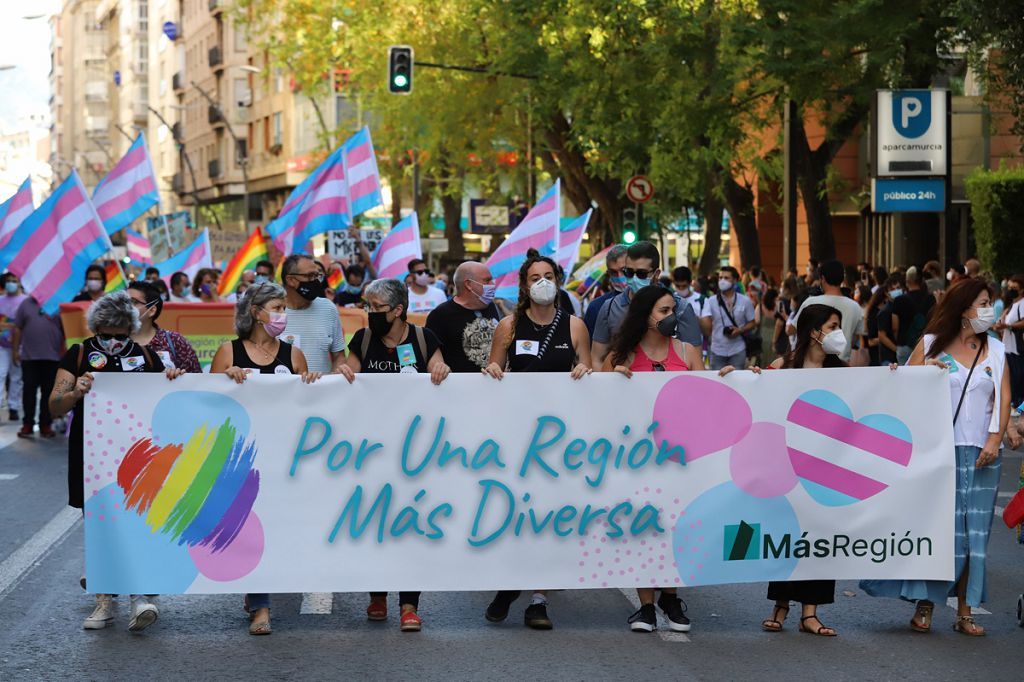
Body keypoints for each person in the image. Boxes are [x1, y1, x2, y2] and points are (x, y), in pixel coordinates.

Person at [861, 278, 1010, 637]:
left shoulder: (996, 350)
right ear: (962, 310)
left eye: (990, 302)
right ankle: (925, 604)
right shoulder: (931, 345)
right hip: (937, 453)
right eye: (983, 303)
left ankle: (965, 610)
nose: (989, 310)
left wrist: (994, 439)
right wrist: (924, 372)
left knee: (974, 536)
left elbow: (1002, 399)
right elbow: (903, 390)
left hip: (982, 456)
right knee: (940, 532)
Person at [48, 291, 185, 632]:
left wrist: (172, 378)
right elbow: (54, 405)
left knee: (140, 520)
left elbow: (168, 401)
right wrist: (74, 392)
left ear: (131, 330)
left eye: (120, 334)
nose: (112, 341)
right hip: (92, 452)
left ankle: (141, 596)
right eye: (105, 334)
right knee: (100, 524)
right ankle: (103, 601)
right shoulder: (79, 354)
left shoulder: (146, 356)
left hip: (136, 453)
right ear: (95, 328)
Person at [482, 249, 593, 630]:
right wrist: (493, 370)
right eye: (535, 277)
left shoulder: (575, 326)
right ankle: (508, 583)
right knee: (515, 514)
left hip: (560, 441)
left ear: (558, 281)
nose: (543, 282)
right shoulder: (508, 327)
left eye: (549, 275)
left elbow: (590, 373)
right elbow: (494, 370)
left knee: (550, 518)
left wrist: (583, 370)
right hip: (518, 436)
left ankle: (538, 600)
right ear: (525, 286)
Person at [211, 282, 325, 635]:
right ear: (256, 312)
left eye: (283, 308)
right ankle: (261, 606)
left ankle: (258, 591)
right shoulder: (228, 351)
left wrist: (311, 383)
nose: (282, 314)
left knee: (279, 528)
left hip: (285, 457)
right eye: (276, 307)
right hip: (242, 459)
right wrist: (225, 381)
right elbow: (208, 405)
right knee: (251, 528)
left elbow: (309, 407)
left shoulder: (293, 355)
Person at [345, 278, 450, 632]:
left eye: (377, 308)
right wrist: (342, 372)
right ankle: (377, 595)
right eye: (368, 307)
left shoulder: (424, 339)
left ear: (398, 310)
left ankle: (409, 604)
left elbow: (440, 370)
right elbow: (348, 373)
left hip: (414, 452)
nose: (370, 313)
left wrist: (440, 369)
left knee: (409, 528)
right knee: (375, 524)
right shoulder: (362, 339)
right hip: (370, 450)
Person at [602, 285, 701, 633]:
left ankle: (670, 597)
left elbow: (706, 398)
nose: (671, 316)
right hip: (638, 460)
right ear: (645, 316)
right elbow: (596, 401)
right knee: (644, 528)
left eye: (673, 309)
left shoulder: (688, 352)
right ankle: (646, 604)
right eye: (663, 310)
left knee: (677, 526)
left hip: (679, 458)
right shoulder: (623, 357)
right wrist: (610, 379)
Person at [761, 304, 853, 637]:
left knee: (820, 536)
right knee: (789, 535)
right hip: (787, 466)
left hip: (826, 468)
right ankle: (781, 605)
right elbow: (760, 402)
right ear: (814, 332)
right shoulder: (783, 367)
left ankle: (810, 613)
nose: (838, 333)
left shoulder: (843, 372)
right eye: (832, 326)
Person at [593, 241, 701, 368]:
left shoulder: (680, 308)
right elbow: (597, 359)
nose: (634, 278)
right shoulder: (610, 308)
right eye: (628, 272)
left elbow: (695, 363)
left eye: (641, 274)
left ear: (656, 274)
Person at [279, 254, 351, 376]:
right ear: (290, 280)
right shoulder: (273, 312)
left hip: (322, 392)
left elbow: (339, 356)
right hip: (284, 392)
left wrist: (335, 376)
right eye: (310, 276)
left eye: (317, 275)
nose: (315, 281)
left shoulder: (328, 308)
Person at [425, 261, 502, 373]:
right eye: (487, 280)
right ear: (468, 285)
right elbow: (430, 356)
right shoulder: (440, 315)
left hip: (493, 384)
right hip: (458, 387)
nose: (492, 284)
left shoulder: (491, 307)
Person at [787, 260, 863, 362]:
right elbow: (855, 338)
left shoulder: (810, 302)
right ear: (842, 278)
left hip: (813, 364)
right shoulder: (855, 307)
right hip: (842, 365)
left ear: (822, 278)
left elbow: (791, 330)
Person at [12, 294, 64, 438]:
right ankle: (27, 424)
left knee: (48, 393)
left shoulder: (58, 303)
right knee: (29, 391)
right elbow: (17, 328)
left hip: (53, 358)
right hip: (29, 357)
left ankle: (45, 425)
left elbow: (66, 331)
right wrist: (15, 350)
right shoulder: (25, 304)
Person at [127, 281, 202, 373]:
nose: (125, 306)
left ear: (152, 311)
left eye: (133, 302)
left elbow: (195, 379)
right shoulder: (113, 341)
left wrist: (179, 377)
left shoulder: (175, 341)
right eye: (123, 301)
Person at [700, 265, 757, 370]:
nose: (722, 281)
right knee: (717, 383)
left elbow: (752, 322)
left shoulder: (745, 301)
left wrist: (740, 330)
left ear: (735, 280)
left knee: (737, 382)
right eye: (720, 278)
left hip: (737, 350)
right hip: (717, 350)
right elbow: (705, 323)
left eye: (726, 278)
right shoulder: (711, 301)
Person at [891, 266, 935, 365]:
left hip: (904, 344)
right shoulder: (931, 299)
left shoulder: (899, 300)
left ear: (907, 281)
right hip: (925, 343)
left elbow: (895, 327)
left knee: (903, 376)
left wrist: (898, 340)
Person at [583, 244, 628, 337]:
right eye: (613, 272)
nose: (619, 276)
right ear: (608, 273)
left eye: (624, 270)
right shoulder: (597, 307)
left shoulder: (653, 301)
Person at [0, 273, 26, 421]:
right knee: (0, 374)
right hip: (1, 346)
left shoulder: (25, 301)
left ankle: (13, 407)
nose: (11, 283)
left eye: (14, 281)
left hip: (20, 345)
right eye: (8, 280)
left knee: (16, 377)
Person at [996, 274, 1024, 411]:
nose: (1010, 290)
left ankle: (1018, 404)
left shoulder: (1022, 304)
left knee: (1018, 376)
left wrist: (1007, 326)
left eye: (1014, 287)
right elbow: (1004, 321)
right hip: (1008, 346)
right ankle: (1014, 403)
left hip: (1018, 346)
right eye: (1009, 287)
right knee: (1011, 376)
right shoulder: (1011, 305)